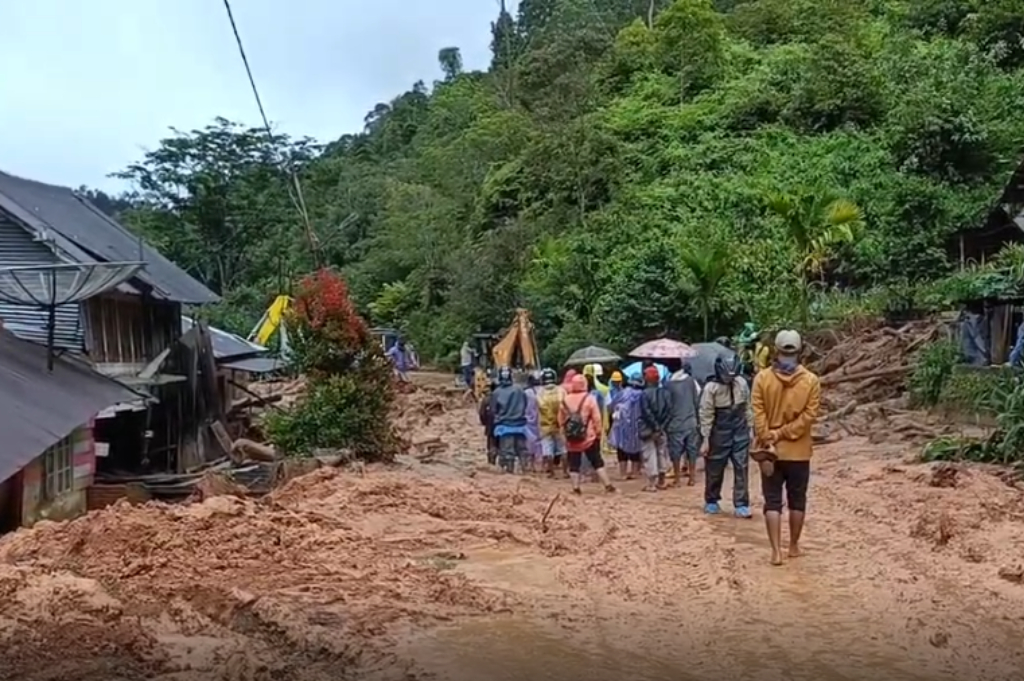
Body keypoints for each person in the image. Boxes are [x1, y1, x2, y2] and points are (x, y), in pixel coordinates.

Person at [752, 330, 821, 566]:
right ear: (799, 351)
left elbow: (757, 413)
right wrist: (784, 433)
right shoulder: (811, 381)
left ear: (775, 351)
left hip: (769, 452)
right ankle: (793, 546)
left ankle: (775, 551)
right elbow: (809, 417)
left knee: (772, 500)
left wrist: (769, 436)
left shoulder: (762, 379)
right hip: (799, 452)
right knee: (797, 500)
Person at [698, 355, 753, 518]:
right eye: (727, 375)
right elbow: (706, 414)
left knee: (741, 467)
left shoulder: (741, 383)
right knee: (715, 467)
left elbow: (748, 407)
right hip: (719, 431)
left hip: (739, 429)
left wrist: (751, 429)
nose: (729, 378)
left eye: (732, 375)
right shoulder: (710, 388)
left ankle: (741, 504)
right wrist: (705, 439)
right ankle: (712, 500)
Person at [558, 374, 616, 495]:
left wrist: (563, 435)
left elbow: (561, 420)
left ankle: (576, 488)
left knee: (574, 463)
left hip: (571, 438)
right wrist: (599, 434)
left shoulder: (565, 400)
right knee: (597, 461)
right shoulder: (589, 399)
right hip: (589, 437)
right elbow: (597, 419)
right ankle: (608, 486)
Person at [665, 360, 702, 487]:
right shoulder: (691, 381)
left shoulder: (668, 385)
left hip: (675, 424)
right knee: (692, 451)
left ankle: (677, 479)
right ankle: (692, 477)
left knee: (675, 452)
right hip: (691, 422)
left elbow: (667, 405)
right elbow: (697, 401)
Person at [489, 366, 529, 474]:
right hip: (521, 426)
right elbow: (526, 404)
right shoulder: (520, 389)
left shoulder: (496, 392)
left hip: (505, 426)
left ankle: (509, 473)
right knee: (523, 450)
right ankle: (526, 471)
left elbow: (493, 410)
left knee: (507, 452)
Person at [638, 365, 672, 492]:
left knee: (650, 455)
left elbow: (646, 412)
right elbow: (669, 412)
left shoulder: (644, 394)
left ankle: (651, 484)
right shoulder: (666, 393)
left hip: (648, 430)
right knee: (661, 453)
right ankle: (662, 481)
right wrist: (661, 428)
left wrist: (655, 428)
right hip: (662, 429)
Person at [609, 373, 644, 479]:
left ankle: (623, 473)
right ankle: (634, 472)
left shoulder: (622, 393)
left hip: (622, 426)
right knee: (636, 447)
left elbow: (611, 406)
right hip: (637, 425)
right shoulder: (642, 395)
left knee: (621, 448)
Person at [536, 368, 566, 477]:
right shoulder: (561, 390)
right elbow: (565, 407)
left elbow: (540, 407)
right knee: (563, 448)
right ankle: (565, 472)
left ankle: (552, 472)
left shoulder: (540, 393)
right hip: (560, 424)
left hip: (546, 425)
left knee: (547, 449)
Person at [524, 371, 542, 473]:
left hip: (528, 421)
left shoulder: (526, 393)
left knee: (529, 444)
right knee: (541, 444)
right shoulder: (543, 391)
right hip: (541, 421)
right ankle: (541, 465)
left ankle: (530, 465)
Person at [478, 378, 498, 465]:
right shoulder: (504, 397)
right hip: (504, 424)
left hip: (490, 426)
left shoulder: (486, 399)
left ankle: (491, 463)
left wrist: (484, 423)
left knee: (491, 445)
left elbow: (482, 413)